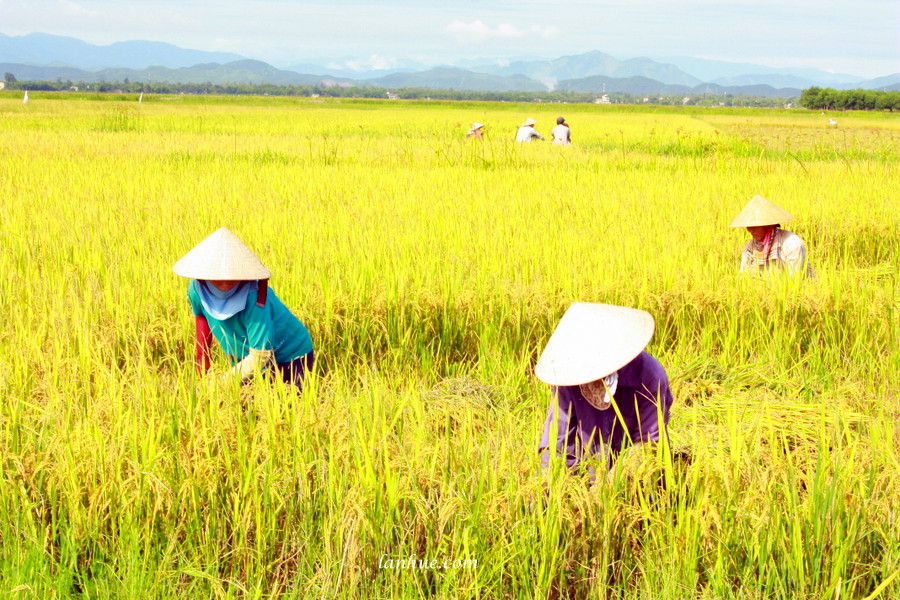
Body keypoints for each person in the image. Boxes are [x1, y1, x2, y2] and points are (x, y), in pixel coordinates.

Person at [537, 303, 673, 472]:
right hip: (591, 469)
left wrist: (609, 485)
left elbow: (647, 444)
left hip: (640, 475)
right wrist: (552, 486)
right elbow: (557, 443)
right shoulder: (568, 375)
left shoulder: (649, 375)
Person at [172, 227, 315, 389]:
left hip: (289, 356)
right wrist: (202, 362)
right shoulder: (196, 290)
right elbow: (201, 317)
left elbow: (260, 356)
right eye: (218, 278)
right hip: (245, 358)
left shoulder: (254, 297)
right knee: (240, 405)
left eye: (232, 277)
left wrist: (218, 385)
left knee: (281, 407)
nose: (225, 283)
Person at [730, 195, 814, 277]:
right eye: (748, 226)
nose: (750, 230)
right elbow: (743, 276)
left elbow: (794, 278)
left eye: (754, 226)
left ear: (768, 225)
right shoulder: (750, 248)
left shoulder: (791, 243)